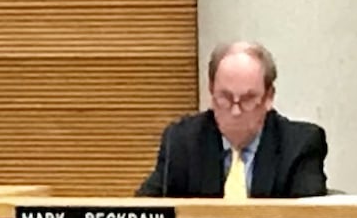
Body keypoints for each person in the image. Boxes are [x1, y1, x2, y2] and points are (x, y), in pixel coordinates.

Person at [137, 41, 329, 198]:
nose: (235, 111)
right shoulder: (182, 141)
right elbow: (145, 211)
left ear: (269, 97)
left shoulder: (300, 145)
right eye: (225, 98)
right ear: (211, 91)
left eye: (247, 100)